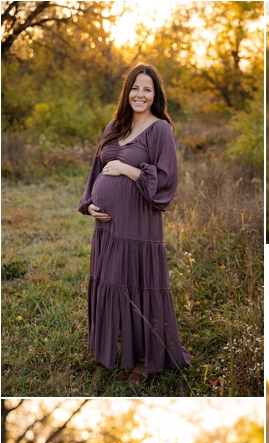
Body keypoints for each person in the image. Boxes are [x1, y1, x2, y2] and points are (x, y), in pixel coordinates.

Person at [78, 63, 191, 383]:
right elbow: (96, 168)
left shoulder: (160, 130)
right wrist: (90, 205)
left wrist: (128, 171)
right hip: (108, 228)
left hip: (138, 227)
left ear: (156, 96)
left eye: (147, 89)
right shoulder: (115, 124)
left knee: (136, 288)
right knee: (114, 284)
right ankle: (125, 353)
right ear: (126, 91)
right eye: (135, 88)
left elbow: (166, 181)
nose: (140, 94)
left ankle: (143, 361)